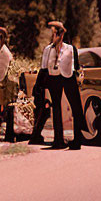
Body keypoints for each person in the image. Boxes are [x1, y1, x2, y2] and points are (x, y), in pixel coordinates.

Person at [30, 20, 86, 149]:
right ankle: (58, 140)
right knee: (56, 108)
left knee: (75, 107)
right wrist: (38, 85)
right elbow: (43, 68)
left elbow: (76, 66)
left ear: (60, 35)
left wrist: (78, 77)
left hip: (68, 77)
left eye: (54, 34)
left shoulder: (70, 48)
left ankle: (77, 140)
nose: (52, 37)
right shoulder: (47, 50)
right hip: (54, 79)